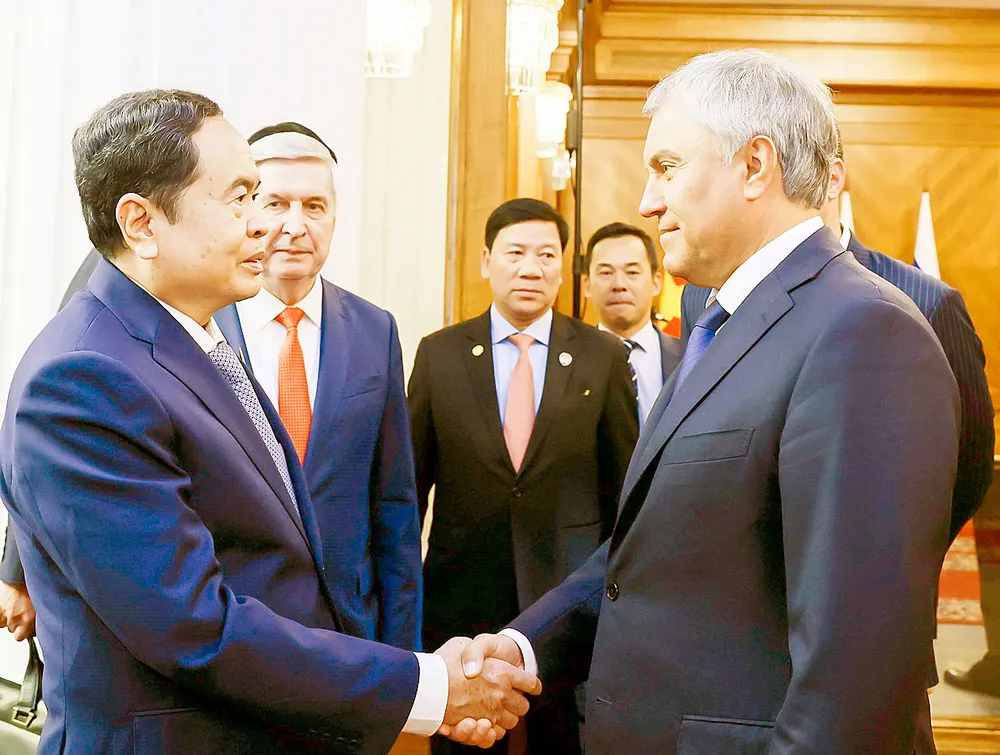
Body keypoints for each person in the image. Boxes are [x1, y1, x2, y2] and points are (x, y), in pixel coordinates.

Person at [0, 89, 539, 754]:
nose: (267, 224)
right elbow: (194, 626)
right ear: (141, 223)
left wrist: (406, 677)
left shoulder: (187, 337)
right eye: (239, 199)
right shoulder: (85, 378)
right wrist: (427, 686)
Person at [454, 49, 960, 754]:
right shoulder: (720, 319)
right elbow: (653, 546)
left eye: (666, 167)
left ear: (755, 165)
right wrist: (523, 649)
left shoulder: (862, 331)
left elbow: (857, 669)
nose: (645, 200)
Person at [408, 197, 638, 753]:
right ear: (486, 261)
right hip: (461, 594)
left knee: (563, 742)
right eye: (515, 253)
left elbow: (626, 492)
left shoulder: (602, 356)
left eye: (546, 254)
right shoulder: (439, 354)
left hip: (565, 597)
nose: (530, 268)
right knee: (463, 740)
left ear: (564, 267)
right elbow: (408, 489)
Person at [212, 121, 422, 652]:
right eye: (275, 203)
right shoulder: (201, 324)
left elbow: (394, 506)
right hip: (230, 624)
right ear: (245, 212)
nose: (295, 225)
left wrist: (404, 657)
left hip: (346, 630)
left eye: (314, 206)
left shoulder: (376, 331)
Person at [583, 222, 682, 428]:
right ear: (587, 285)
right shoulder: (573, 361)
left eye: (632, 272)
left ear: (657, 282)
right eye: (606, 273)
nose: (619, 284)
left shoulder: (689, 356)